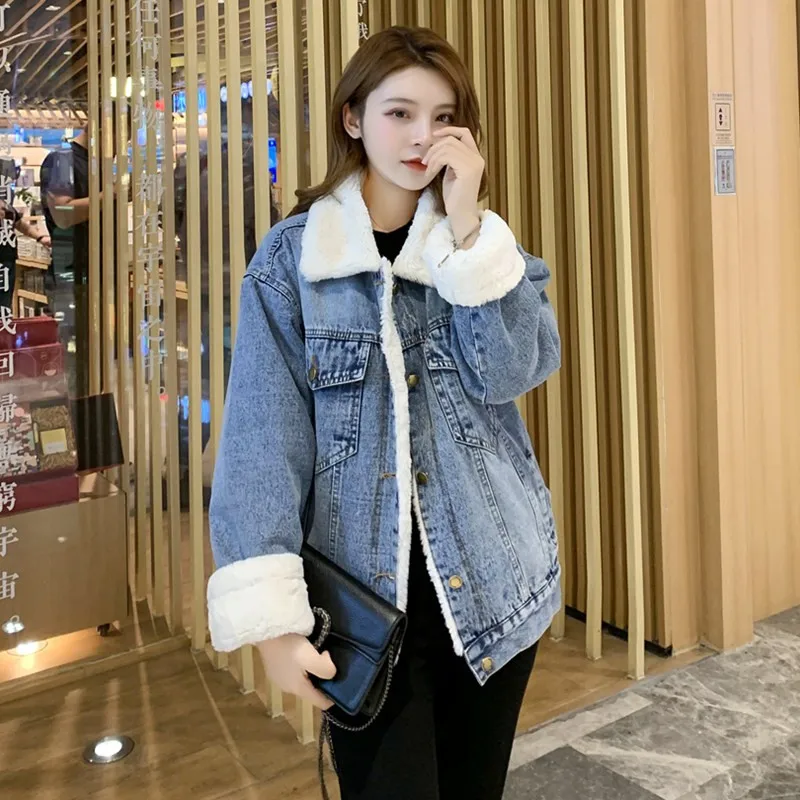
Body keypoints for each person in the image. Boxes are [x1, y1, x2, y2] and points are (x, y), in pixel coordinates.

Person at [206, 26, 561, 800]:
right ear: (353, 118)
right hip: (364, 614)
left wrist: (468, 233)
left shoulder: (480, 248)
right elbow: (263, 445)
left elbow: (516, 371)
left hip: (492, 592)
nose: (422, 136)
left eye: (444, 117)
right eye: (400, 113)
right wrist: (274, 627)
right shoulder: (293, 263)